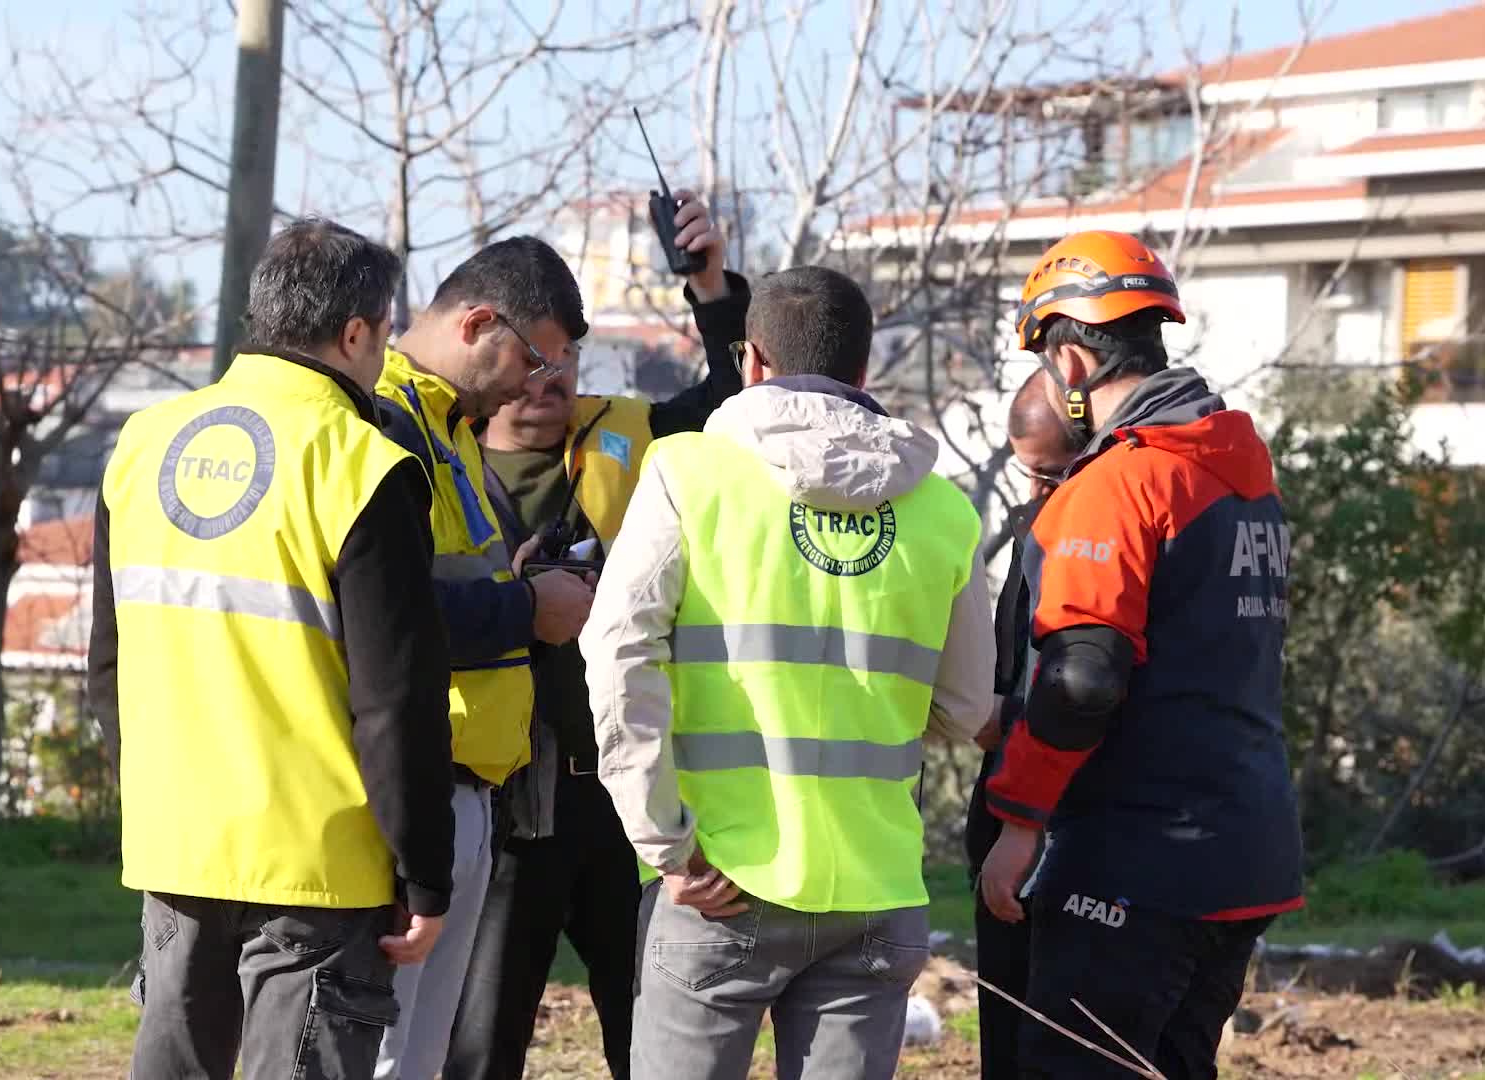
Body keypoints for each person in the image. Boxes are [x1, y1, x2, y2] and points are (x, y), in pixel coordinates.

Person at [583, 266, 997, 1080]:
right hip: (875, 888)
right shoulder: (944, 510)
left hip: (719, 878)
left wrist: (663, 842)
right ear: (863, 371)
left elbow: (617, 651)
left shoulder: (686, 474)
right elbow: (965, 707)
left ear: (754, 360)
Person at [92, 218, 456, 1080]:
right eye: (385, 330)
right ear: (357, 333)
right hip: (317, 864)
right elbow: (397, 697)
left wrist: (150, 800)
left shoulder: (142, 445)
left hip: (176, 844)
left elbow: (108, 665)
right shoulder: (365, 465)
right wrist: (425, 873)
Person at [976, 230, 1304, 1080]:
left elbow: (1083, 678)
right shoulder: (1243, 479)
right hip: (1245, 851)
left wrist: (1017, 822)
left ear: (1073, 365)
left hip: (1133, 863)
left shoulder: (1121, 484)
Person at [445, 189, 750, 1080]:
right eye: (538, 359)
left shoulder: (630, 432)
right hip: (508, 798)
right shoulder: (434, 449)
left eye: (568, 358)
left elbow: (736, 395)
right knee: (483, 1035)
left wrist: (709, 282)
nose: (553, 378)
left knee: (650, 1029)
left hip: (623, 792)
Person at [370, 236, 597, 1080]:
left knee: (417, 1062)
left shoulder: (446, 429)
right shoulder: (386, 425)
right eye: (535, 359)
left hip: (469, 788)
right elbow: (385, 617)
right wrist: (528, 609)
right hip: (414, 785)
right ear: (476, 325)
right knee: (383, 1055)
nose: (539, 386)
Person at [962, 368, 1085, 1080]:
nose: (1035, 493)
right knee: (1006, 1036)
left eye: (1050, 474)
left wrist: (1004, 714)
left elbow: (1078, 686)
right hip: (1006, 800)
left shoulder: (1093, 534)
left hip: (1050, 819)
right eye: (1027, 475)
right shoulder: (1039, 524)